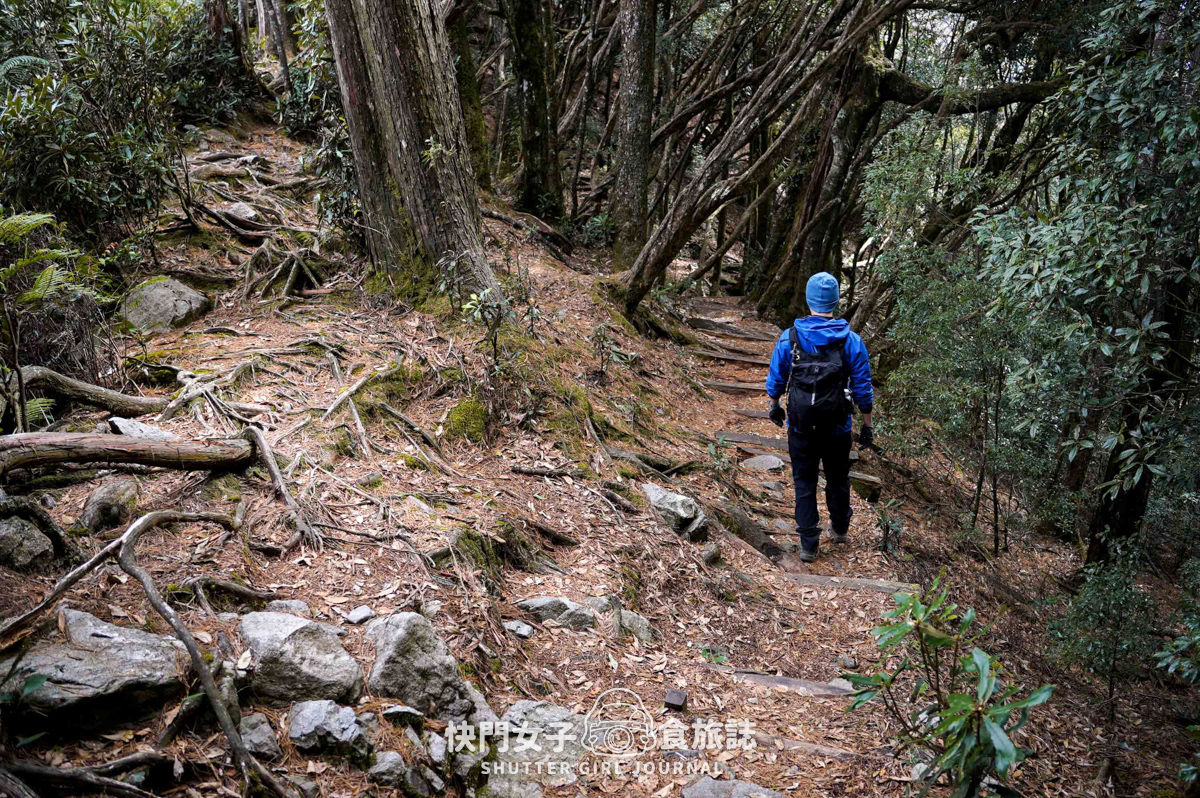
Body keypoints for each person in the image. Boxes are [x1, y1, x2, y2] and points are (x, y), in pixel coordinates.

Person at [764, 272, 874, 562]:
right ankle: (839, 530)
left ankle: (809, 545)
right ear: (836, 302)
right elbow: (863, 387)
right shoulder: (851, 341)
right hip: (838, 426)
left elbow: (776, 378)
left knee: (804, 481)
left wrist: (774, 405)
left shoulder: (790, 338)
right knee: (838, 478)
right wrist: (867, 425)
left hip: (800, 426)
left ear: (808, 300)